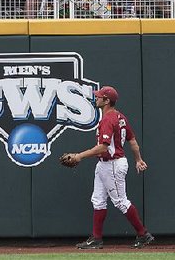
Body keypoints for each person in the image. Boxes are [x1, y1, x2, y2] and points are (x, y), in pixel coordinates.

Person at [64, 85, 153, 250]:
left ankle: (143, 234)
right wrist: (138, 160)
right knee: (98, 200)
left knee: (120, 202)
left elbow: (103, 147)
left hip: (113, 163)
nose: (96, 98)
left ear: (107, 101)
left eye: (99, 96)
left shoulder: (108, 119)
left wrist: (79, 156)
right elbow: (132, 142)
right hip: (105, 164)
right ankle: (96, 239)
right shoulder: (121, 117)